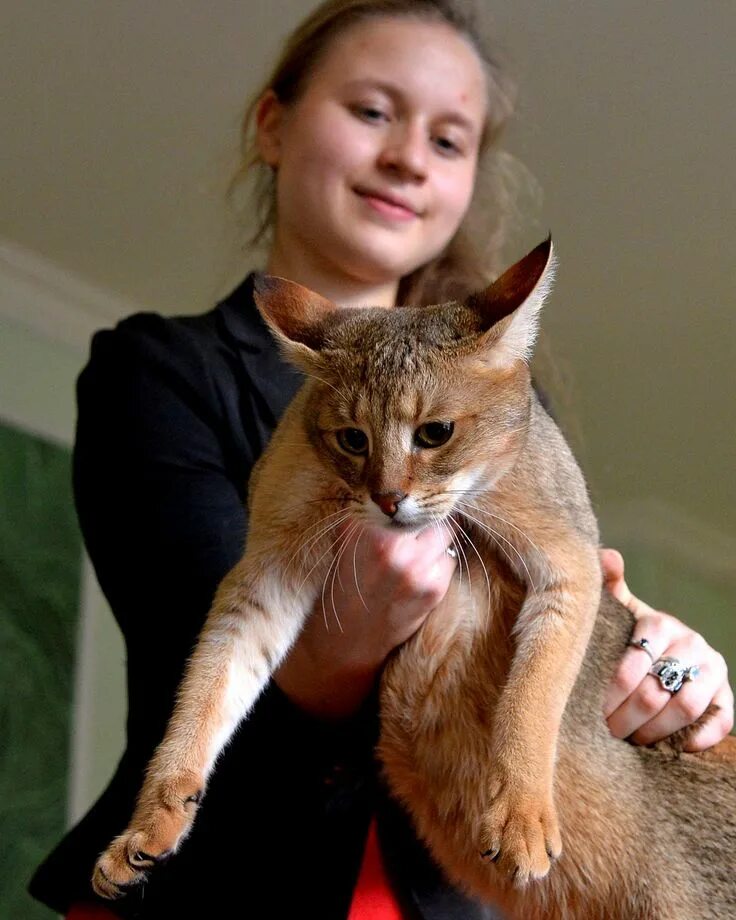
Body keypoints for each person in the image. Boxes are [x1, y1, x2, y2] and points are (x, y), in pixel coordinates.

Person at [30, 1, 733, 918]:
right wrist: (368, 608)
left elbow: (582, 592)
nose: (408, 156)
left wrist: (670, 667)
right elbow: (210, 631)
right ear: (274, 124)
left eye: (450, 140)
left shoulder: (504, 394)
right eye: (372, 111)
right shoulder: (157, 369)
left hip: (448, 886)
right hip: (236, 876)